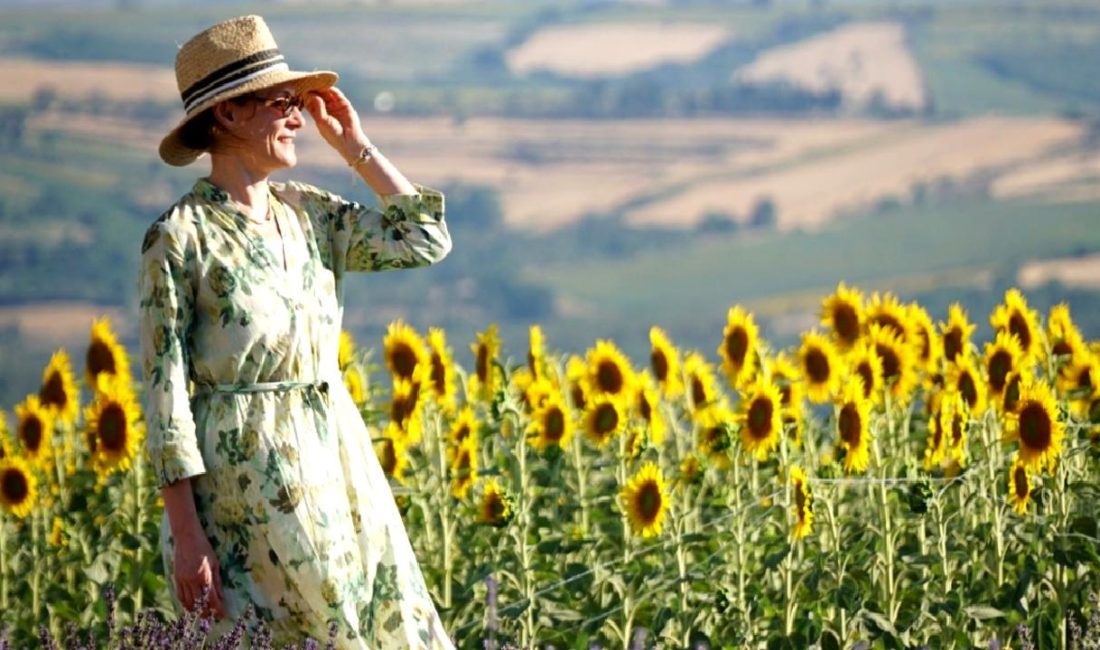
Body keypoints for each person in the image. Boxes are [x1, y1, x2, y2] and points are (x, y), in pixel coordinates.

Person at [138, 15, 454, 648]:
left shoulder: (310, 215)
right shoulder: (179, 238)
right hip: (245, 477)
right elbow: (164, 392)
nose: (298, 117)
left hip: (336, 456)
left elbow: (423, 239)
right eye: (282, 102)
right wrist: (187, 535)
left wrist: (355, 146)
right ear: (228, 115)